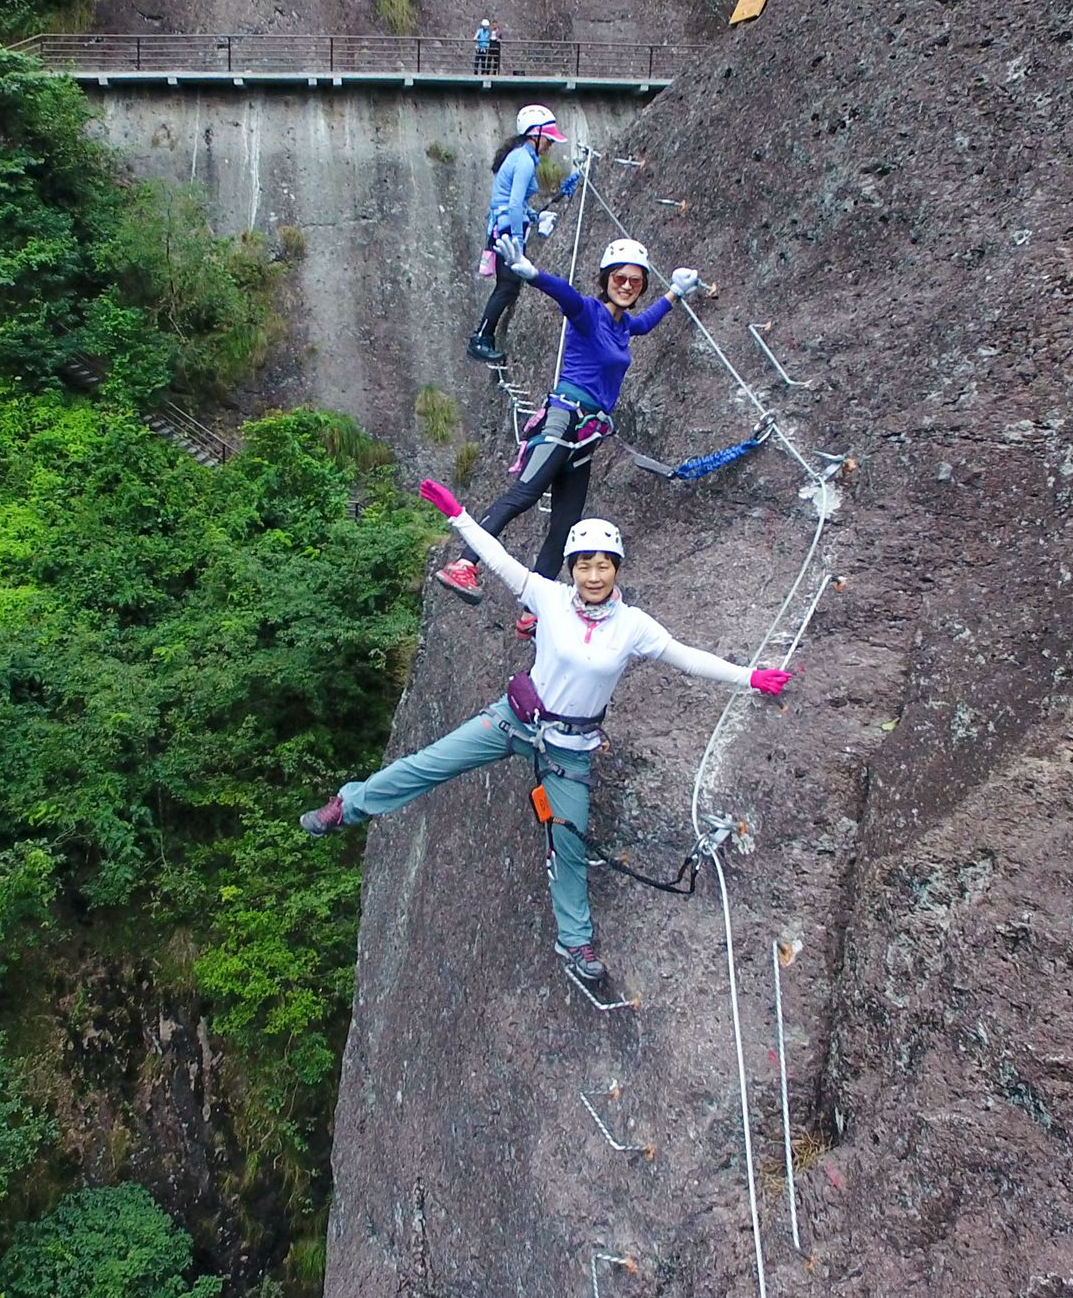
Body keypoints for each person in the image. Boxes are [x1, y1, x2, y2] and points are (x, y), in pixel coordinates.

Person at [300, 494, 793, 982]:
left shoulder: (633, 626)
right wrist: (460, 517)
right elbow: (498, 561)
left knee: (569, 843)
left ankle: (575, 941)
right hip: (516, 718)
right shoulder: (549, 597)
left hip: (568, 750)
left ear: (616, 569)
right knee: (430, 763)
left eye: (603, 566)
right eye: (584, 566)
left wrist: (748, 678)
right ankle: (348, 806)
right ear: (572, 568)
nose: (594, 576)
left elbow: (686, 657)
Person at [449, 234, 702, 638]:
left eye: (635, 281)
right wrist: (533, 275)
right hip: (564, 419)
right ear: (606, 279)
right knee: (523, 495)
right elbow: (566, 296)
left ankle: (534, 609)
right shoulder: (589, 313)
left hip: (587, 435)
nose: (626, 285)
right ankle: (464, 563)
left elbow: (646, 322)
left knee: (566, 524)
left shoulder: (623, 326)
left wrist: (675, 291)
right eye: (619, 278)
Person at [467, 103, 578, 365]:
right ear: (534, 134)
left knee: (507, 286)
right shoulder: (524, 161)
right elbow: (514, 203)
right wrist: (517, 240)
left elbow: (513, 202)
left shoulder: (521, 157)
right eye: (547, 138)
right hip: (506, 230)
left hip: (503, 225)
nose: (550, 143)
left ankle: (485, 337)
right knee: (507, 286)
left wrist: (535, 216)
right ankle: (481, 338)